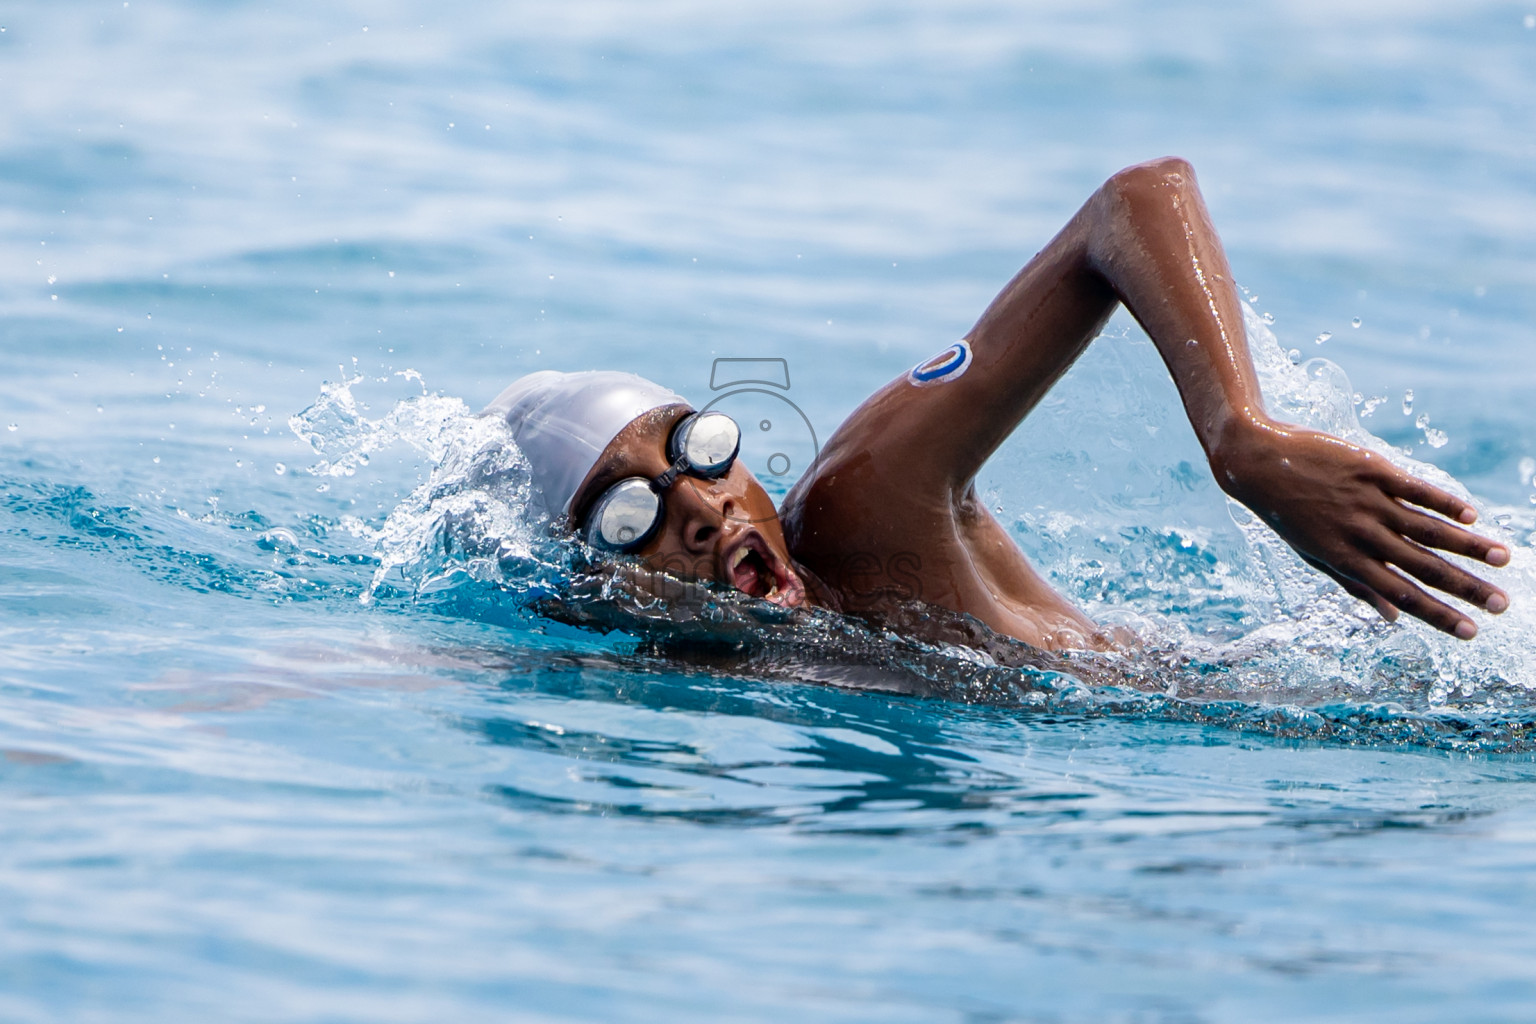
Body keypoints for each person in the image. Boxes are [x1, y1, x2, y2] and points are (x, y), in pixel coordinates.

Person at [486, 157, 1510, 651]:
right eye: (636, 518)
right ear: (600, 580)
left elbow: (1133, 204)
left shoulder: (864, 503)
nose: (703, 508)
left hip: (1344, 680)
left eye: (701, 452)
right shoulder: (668, 666)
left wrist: (1240, 436)